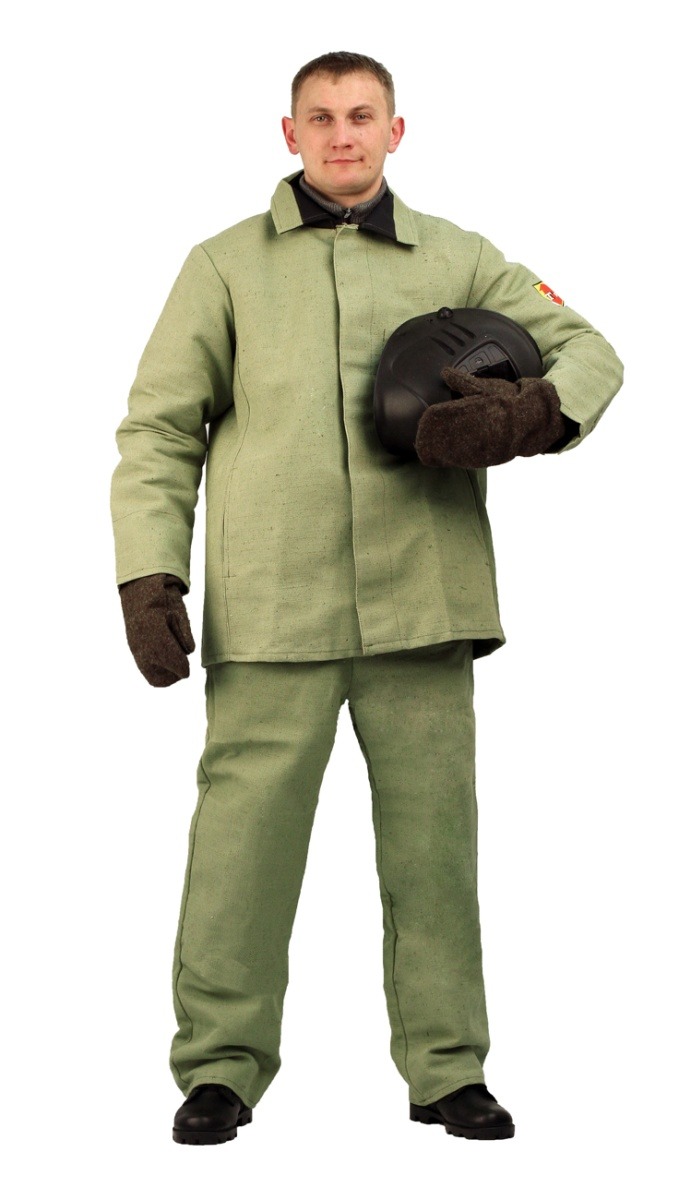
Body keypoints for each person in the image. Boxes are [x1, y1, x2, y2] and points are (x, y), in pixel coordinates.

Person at [110, 51, 623, 1145]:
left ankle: (447, 1068)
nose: (341, 134)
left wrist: (532, 413)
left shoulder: (460, 256)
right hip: (273, 604)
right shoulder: (222, 265)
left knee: (433, 854)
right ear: (288, 134)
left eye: (361, 116)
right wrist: (149, 573)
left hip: (423, 599)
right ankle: (220, 1069)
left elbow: (588, 349)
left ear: (396, 131)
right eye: (320, 118)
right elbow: (159, 428)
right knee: (240, 853)